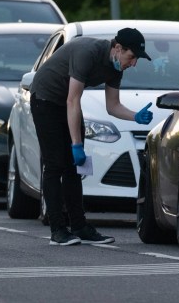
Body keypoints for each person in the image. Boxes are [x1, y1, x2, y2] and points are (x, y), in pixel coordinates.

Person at [29, 27, 155, 246]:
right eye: (132, 57)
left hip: (65, 104)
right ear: (118, 48)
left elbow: (113, 106)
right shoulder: (87, 53)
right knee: (55, 164)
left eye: (136, 60)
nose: (133, 63)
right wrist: (76, 144)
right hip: (45, 98)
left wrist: (136, 117)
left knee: (74, 168)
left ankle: (79, 227)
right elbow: (72, 100)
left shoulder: (116, 67)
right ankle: (57, 230)